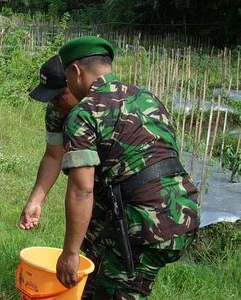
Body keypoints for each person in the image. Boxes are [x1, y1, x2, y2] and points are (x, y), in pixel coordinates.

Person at [53, 36, 199, 299]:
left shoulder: (84, 112)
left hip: (143, 226)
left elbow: (81, 191)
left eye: (67, 78)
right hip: (183, 212)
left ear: (75, 71)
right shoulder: (148, 99)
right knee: (99, 283)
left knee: (117, 291)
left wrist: (70, 253)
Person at [19, 55, 78, 230]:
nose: (54, 102)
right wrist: (35, 201)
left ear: (75, 82)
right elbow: (54, 155)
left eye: (59, 96)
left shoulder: (103, 107)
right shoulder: (56, 111)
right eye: (50, 97)